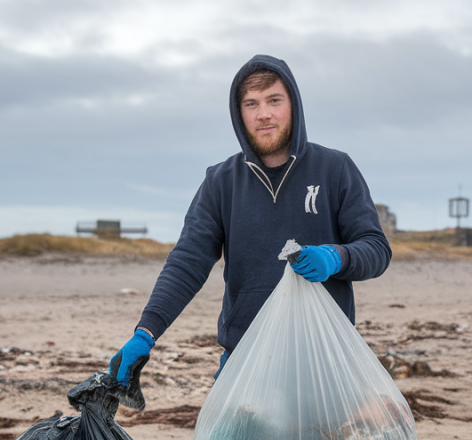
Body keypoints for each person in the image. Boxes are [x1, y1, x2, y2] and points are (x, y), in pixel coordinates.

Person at [109, 54, 391, 387]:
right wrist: (146, 332)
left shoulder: (335, 169)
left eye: (274, 100)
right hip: (243, 362)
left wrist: (336, 257)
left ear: (293, 106)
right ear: (239, 113)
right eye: (251, 104)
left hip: (324, 362)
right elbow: (187, 261)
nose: (264, 114)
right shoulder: (221, 181)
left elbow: (376, 249)